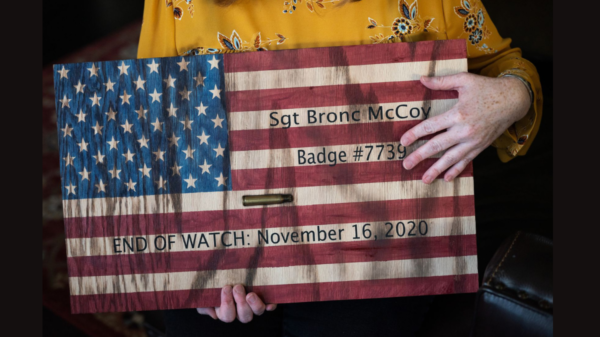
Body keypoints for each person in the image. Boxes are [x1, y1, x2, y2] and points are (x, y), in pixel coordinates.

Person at [137, 0, 542, 335]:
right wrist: (191, 263)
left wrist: (511, 95)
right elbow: (156, 118)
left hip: (379, 240)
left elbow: (503, 65)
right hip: (228, 230)